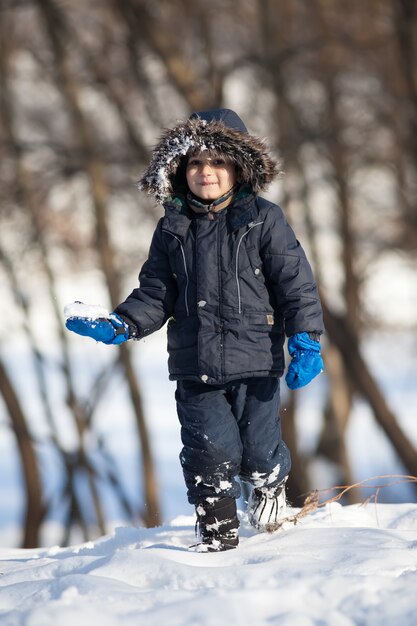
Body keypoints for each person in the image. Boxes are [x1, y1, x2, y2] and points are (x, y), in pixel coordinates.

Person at [65, 108, 324, 552]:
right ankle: (217, 539)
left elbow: (295, 283)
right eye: (196, 163)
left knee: (259, 452)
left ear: (239, 168)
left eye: (218, 162)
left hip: (257, 361)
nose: (207, 172)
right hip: (195, 365)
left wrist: (305, 338)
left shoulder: (264, 219)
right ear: (180, 170)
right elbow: (156, 292)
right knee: (211, 455)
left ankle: (269, 486)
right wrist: (123, 323)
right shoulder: (172, 227)